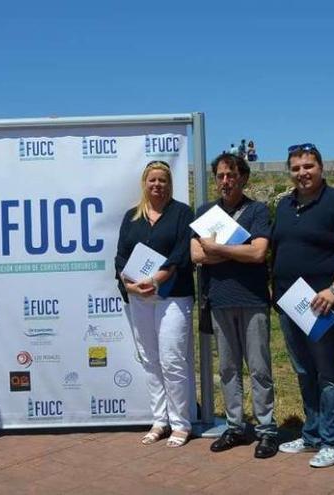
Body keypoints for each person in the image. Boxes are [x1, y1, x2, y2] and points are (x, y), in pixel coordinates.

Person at [271, 143, 334, 468]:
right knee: (304, 370)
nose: (302, 173)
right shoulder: (284, 205)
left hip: (325, 304)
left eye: (308, 166)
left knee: (329, 371)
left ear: (321, 168)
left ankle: (333, 441)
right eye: (296, 168)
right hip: (290, 304)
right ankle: (312, 434)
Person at [192, 153, 278, 458]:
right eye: (220, 176)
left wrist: (216, 248)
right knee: (228, 368)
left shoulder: (257, 211)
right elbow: (196, 255)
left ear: (243, 178)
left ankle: (266, 429)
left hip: (252, 299)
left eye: (231, 175)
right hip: (219, 299)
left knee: (259, 368)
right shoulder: (206, 212)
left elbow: (258, 254)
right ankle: (236, 426)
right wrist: (233, 250)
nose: (225, 181)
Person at [115, 161, 195, 448]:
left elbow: (181, 254)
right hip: (139, 297)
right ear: (144, 183)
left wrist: (157, 280)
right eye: (152, 180)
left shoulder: (182, 213)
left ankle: (181, 423)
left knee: (172, 360)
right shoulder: (132, 217)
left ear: (169, 183)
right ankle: (160, 420)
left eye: (162, 180)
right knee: (150, 361)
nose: (157, 185)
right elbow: (121, 257)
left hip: (173, 295)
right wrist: (129, 284)